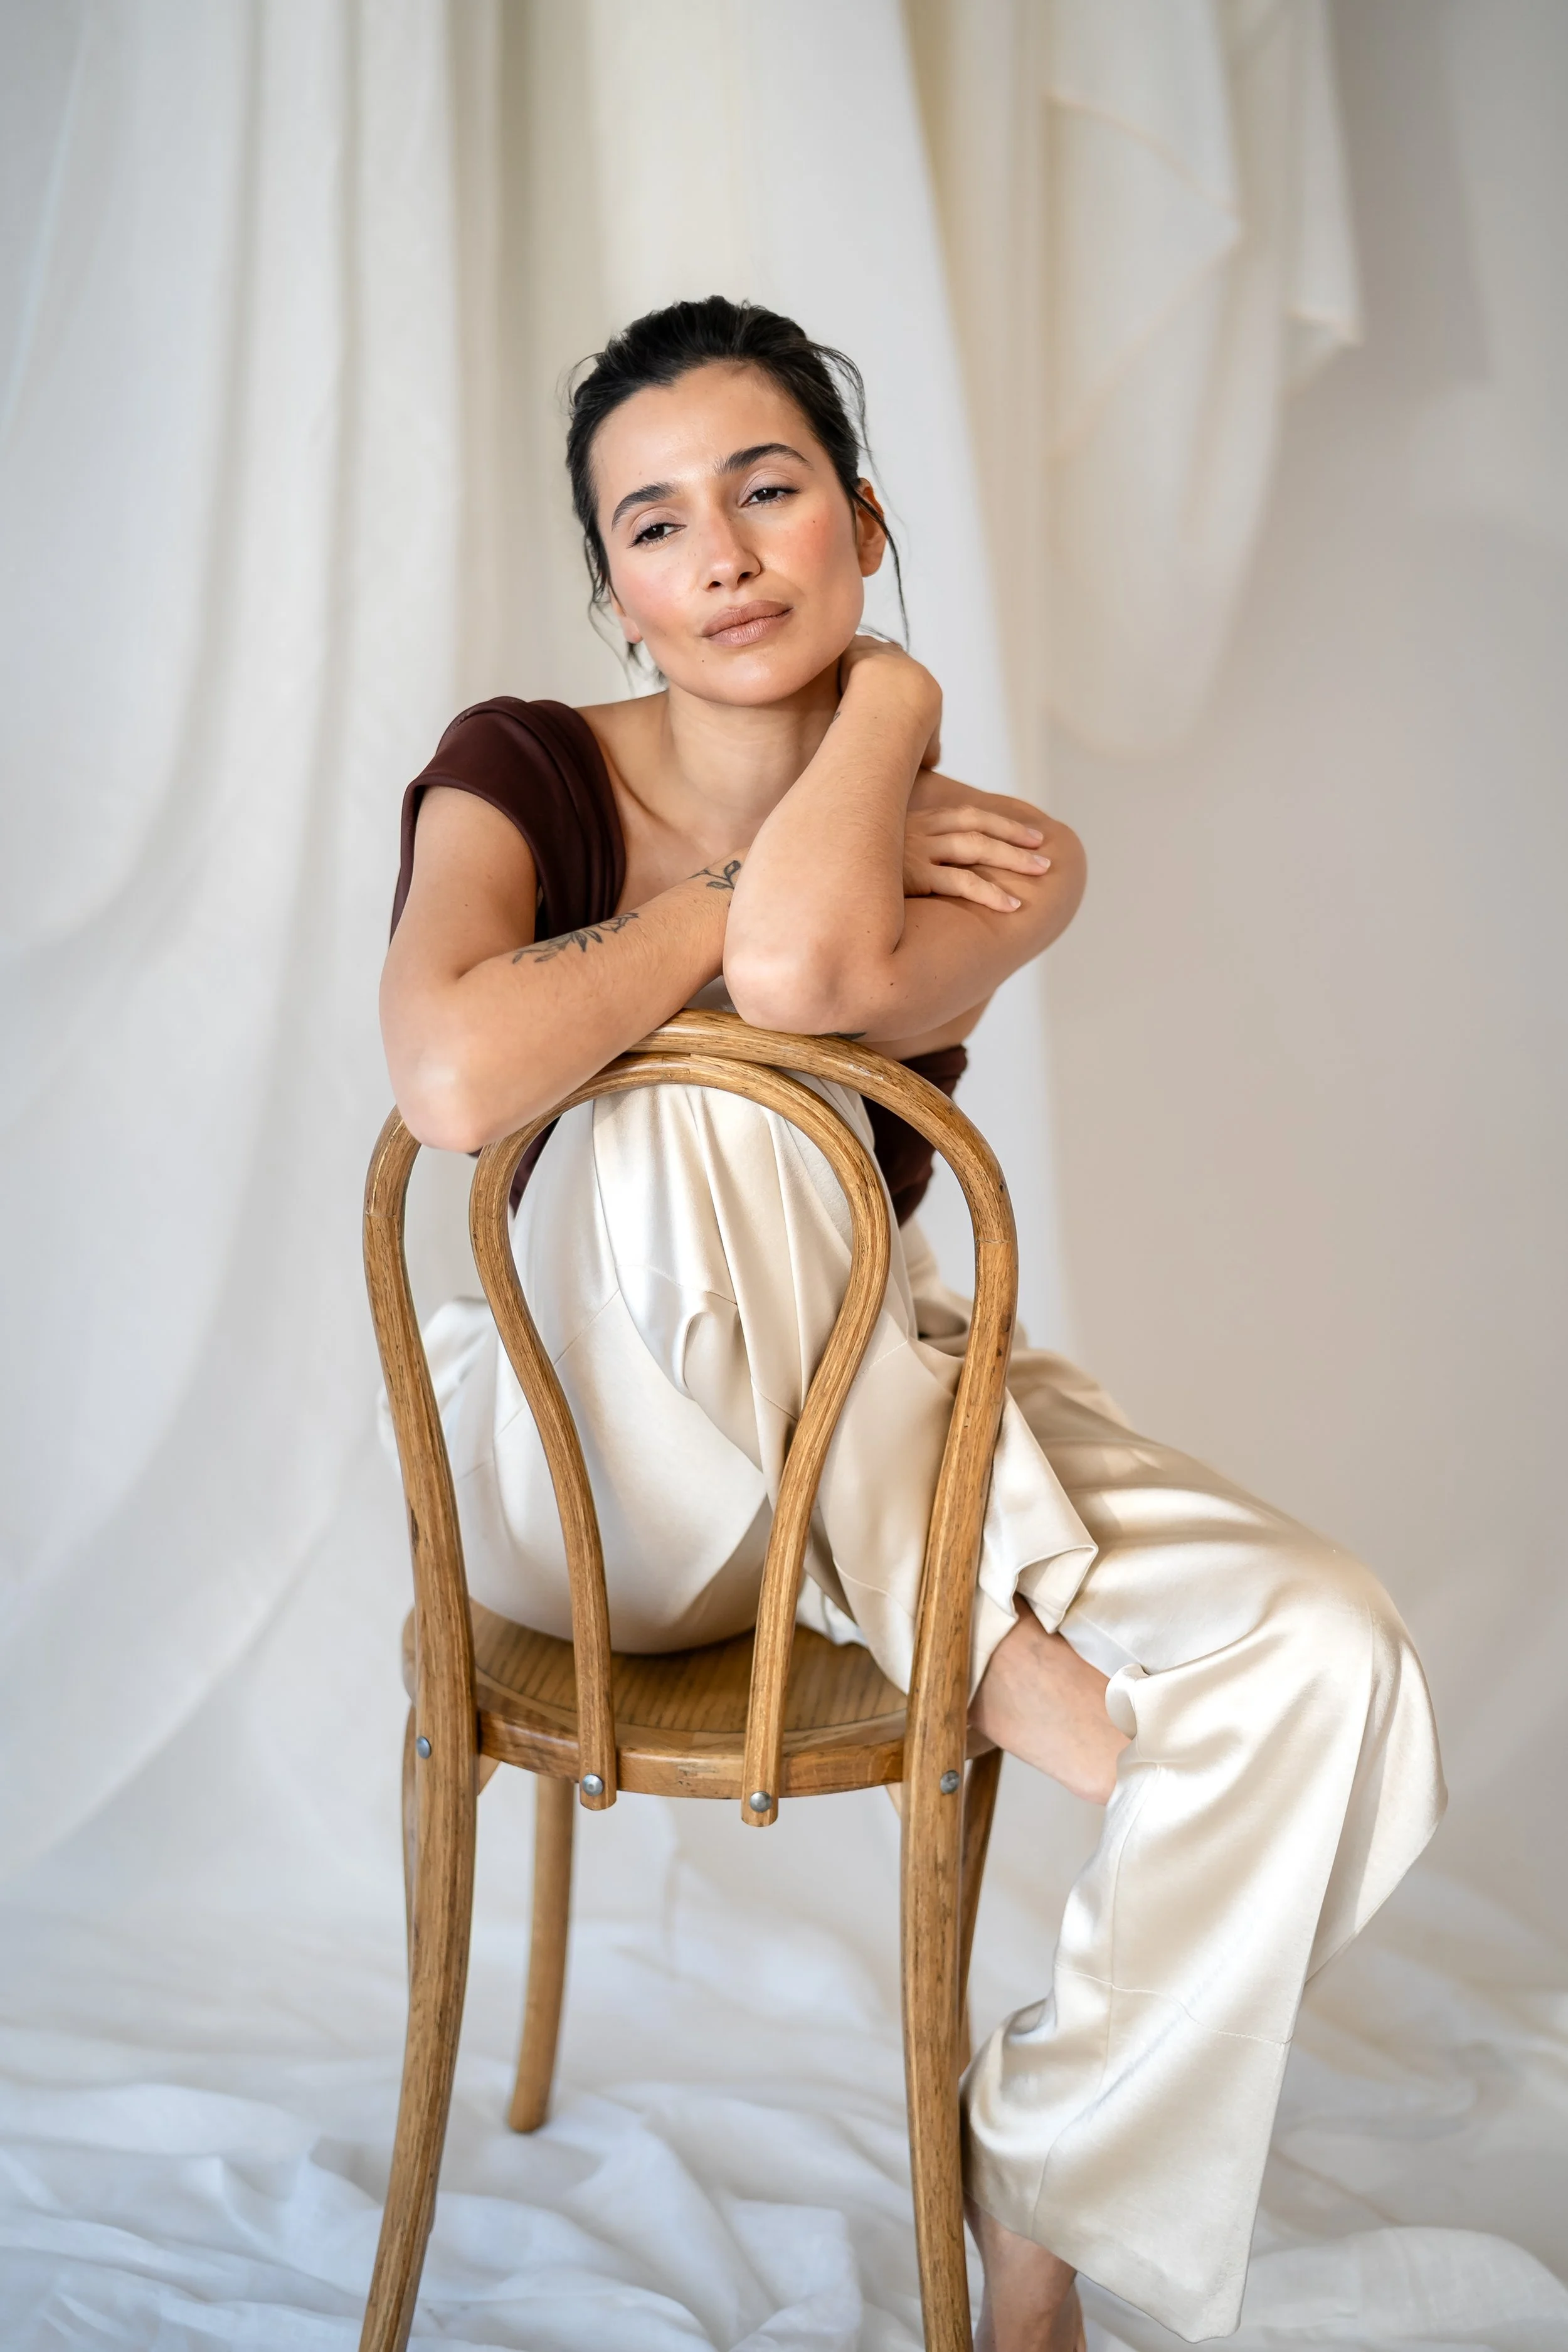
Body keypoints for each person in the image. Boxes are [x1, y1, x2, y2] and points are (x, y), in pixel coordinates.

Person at [379, 297, 1444, 2351]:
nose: (725, 554)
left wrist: (894, 706)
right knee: (688, 1115)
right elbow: (453, 1081)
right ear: (611, 589)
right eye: (656, 522)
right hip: (590, 1496)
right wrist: (726, 882)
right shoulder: (518, 769)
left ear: (860, 521)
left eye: (771, 491)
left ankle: (1037, 2190)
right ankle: (984, 1648)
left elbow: (800, 961)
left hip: (847, 1449)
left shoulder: (988, 850)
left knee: (1321, 1653)